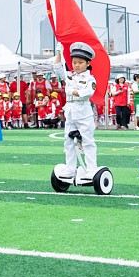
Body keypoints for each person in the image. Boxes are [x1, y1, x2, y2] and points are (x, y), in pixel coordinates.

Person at [52, 43, 99, 183]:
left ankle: (91, 169)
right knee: (68, 141)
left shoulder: (90, 78)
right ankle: (70, 168)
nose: (77, 65)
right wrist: (59, 52)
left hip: (83, 113)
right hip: (71, 112)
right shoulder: (70, 76)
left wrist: (73, 91)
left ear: (87, 63)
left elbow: (88, 93)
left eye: (80, 62)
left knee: (87, 142)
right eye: (74, 62)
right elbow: (57, 68)